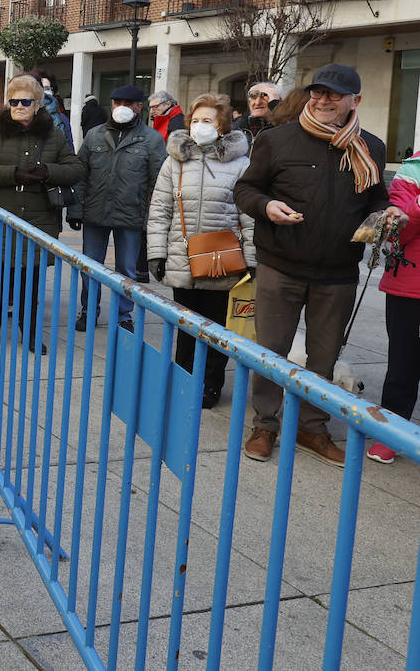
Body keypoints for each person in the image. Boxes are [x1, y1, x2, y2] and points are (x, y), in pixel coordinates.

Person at [234, 63, 403, 466]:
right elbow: (246, 189)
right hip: (280, 265)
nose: (323, 100)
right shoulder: (276, 141)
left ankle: (313, 427)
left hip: (338, 272)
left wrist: (387, 214)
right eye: (318, 93)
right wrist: (266, 206)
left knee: (323, 357)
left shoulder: (371, 147)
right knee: (271, 352)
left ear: (354, 101)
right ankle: (266, 424)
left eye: (334, 94)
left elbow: (376, 197)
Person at [146, 93, 256, 409]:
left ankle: (210, 385)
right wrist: (156, 252)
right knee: (185, 328)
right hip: (182, 258)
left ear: (222, 127)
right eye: (195, 120)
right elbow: (160, 209)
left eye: (207, 121)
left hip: (222, 260)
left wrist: (251, 259)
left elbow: (249, 217)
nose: (199, 126)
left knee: (217, 329)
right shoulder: (175, 160)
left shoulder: (241, 165)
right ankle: (182, 379)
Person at [0, 74, 83, 347]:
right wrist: (14, 174)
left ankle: (31, 331)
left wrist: (48, 171)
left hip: (39, 219)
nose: (19, 106)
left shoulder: (53, 134)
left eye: (25, 101)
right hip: (4, 217)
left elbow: (76, 169)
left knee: (32, 280)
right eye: (14, 101)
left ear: (38, 104)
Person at [69, 85, 167, 332]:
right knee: (90, 266)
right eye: (116, 102)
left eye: (127, 103)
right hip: (95, 211)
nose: (121, 107)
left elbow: (159, 181)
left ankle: (124, 314)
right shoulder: (94, 135)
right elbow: (81, 174)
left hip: (131, 213)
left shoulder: (151, 139)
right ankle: (88, 311)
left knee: (126, 269)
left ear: (139, 107)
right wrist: (75, 209)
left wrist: (151, 217)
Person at [368, 148, 420, 463]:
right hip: (410, 286)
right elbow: (396, 230)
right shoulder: (412, 170)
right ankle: (391, 434)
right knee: (403, 364)